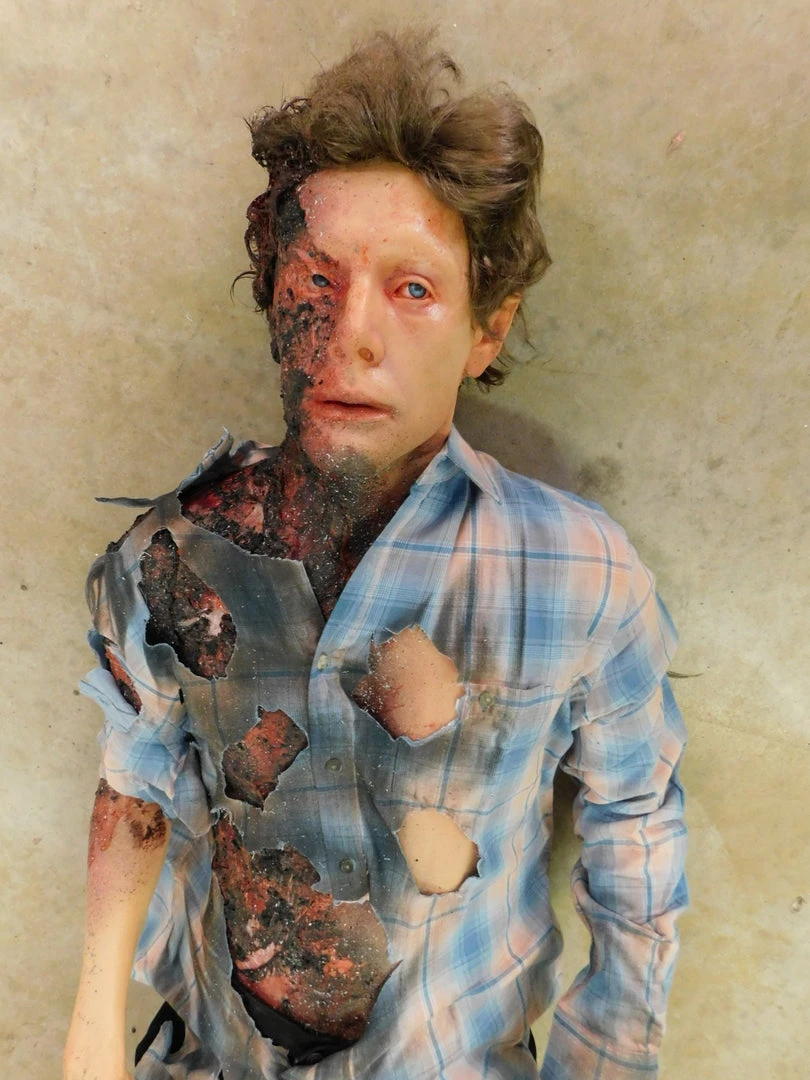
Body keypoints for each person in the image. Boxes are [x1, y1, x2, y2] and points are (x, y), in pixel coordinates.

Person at [64, 29, 687, 1080]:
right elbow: (136, 778)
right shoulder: (167, 557)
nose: (352, 333)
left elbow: (636, 826)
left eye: (413, 290)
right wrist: (90, 1034)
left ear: (488, 331)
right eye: (317, 277)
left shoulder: (580, 575)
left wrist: (606, 1060)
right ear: (274, 300)